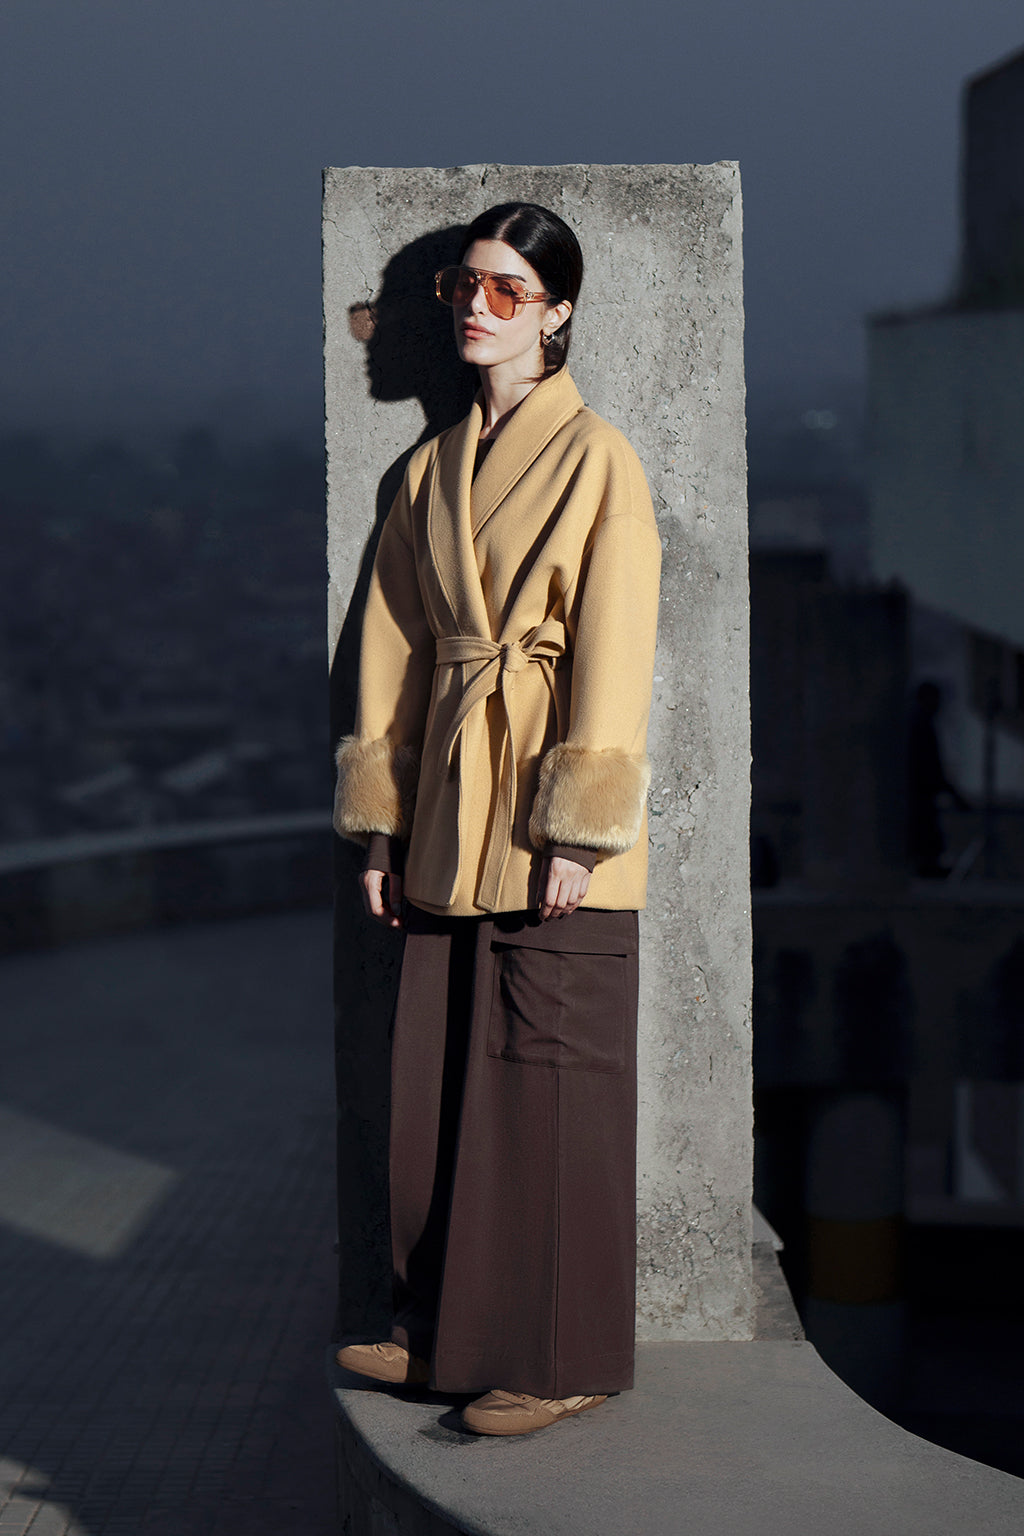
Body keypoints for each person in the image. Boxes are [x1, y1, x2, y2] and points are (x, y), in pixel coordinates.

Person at [332, 201, 661, 1437]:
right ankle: (442, 1336)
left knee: (551, 1081)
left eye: (508, 290)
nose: (478, 306)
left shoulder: (599, 458)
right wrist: (379, 822)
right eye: (463, 286)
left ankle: (561, 1354)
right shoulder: (426, 471)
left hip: (542, 815)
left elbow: (614, 646)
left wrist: (582, 825)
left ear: (557, 313)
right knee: (437, 1078)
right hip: (442, 817)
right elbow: (392, 655)